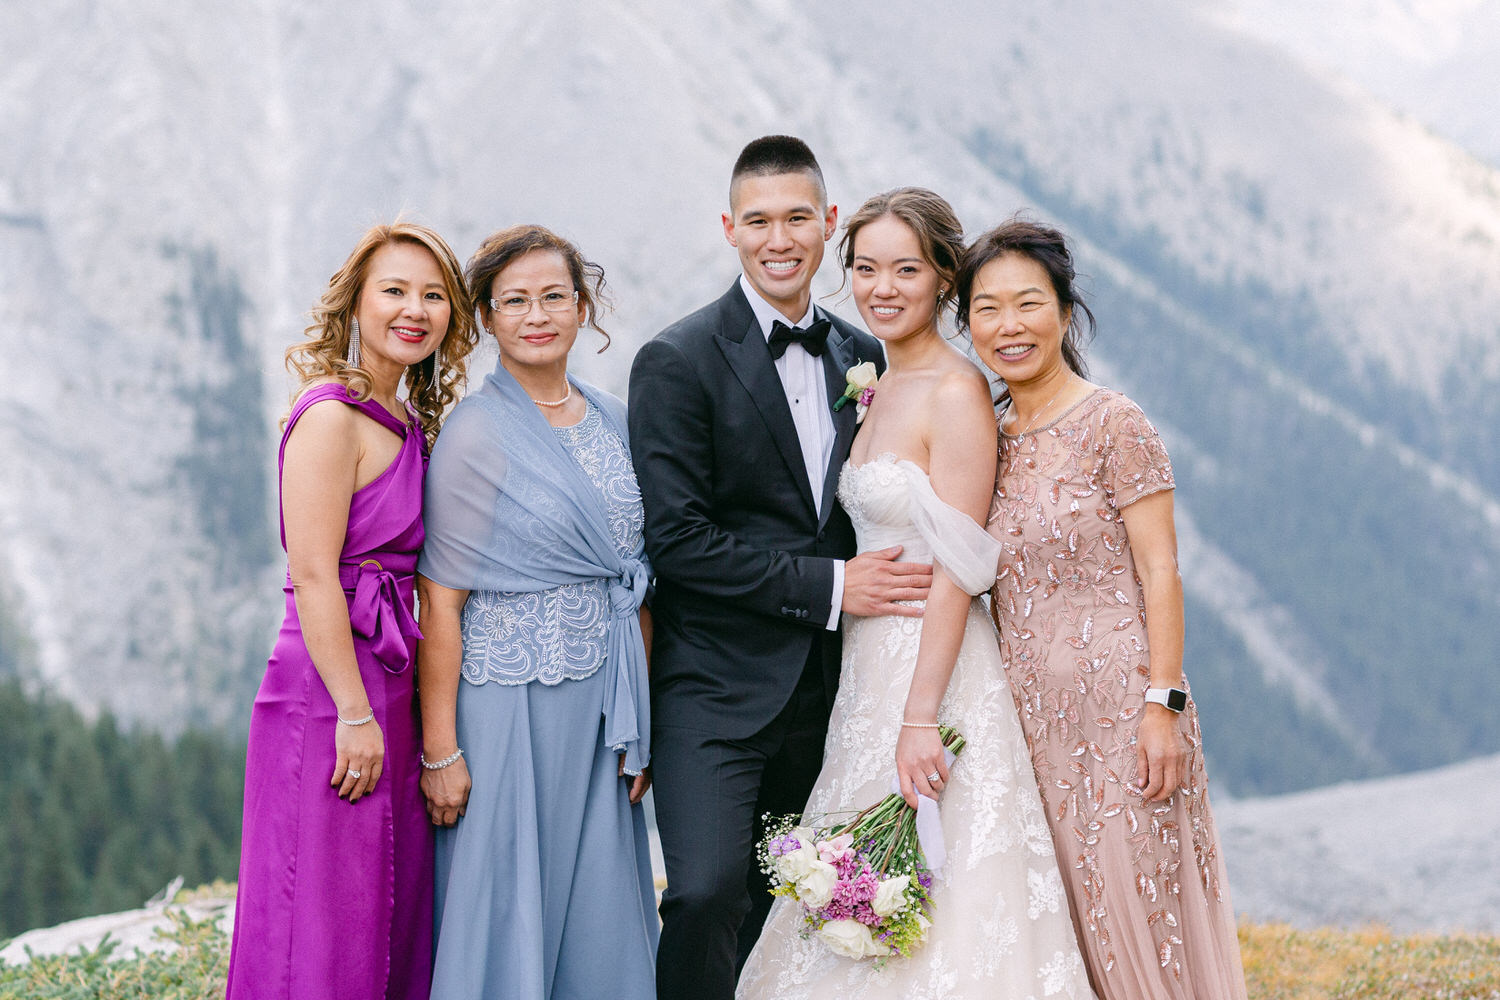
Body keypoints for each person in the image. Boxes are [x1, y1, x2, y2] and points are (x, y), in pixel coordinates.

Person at [736, 189, 1094, 999]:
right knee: (861, 868)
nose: (882, 288)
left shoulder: (957, 392)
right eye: (864, 268)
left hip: (934, 671)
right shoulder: (878, 380)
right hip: (867, 666)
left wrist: (919, 716)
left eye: (905, 269)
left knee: (948, 879)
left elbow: (961, 569)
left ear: (943, 278)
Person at [628, 136, 928, 1000]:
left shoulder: (862, 353)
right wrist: (834, 588)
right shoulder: (677, 360)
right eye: (758, 220)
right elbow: (676, 541)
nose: (779, 237)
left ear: (829, 222)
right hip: (715, 689)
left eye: (798, 216)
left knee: (797, 902)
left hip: (835, 689)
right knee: (705, 890)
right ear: (729, 229)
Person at [962, 218, 1248, 999]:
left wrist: (1164, 703)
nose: (1008, 327)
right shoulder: (987, 435)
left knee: (1145, 922)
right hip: (1031, 726)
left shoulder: (1114, 423)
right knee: (1068, 927)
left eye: (1027, 304)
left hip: (1127, 715)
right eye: (987, 309)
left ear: (1063, 310)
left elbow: (1163, 570)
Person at [226, 221, 477, 1000]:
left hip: (389, 677)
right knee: (319, 911)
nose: (415, 309)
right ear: (355, 304)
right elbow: (311, 573)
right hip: (328, 691)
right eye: (394, 291)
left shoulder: (408, 422)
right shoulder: (331, 416)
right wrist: (354, 711)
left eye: (433, 295)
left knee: (384, 904)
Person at [416, 224, 658, 1000]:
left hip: (601, 705)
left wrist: (641, 720)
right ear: (486, 317)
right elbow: (441, 602)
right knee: (508, 900)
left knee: (601, 908)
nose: (537, 314)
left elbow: (637, 580)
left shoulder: (618, 418)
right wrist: (441, 750)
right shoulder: (473, 435)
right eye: (515, 300)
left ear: (582, 307)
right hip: (506, 705)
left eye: (554, 296)